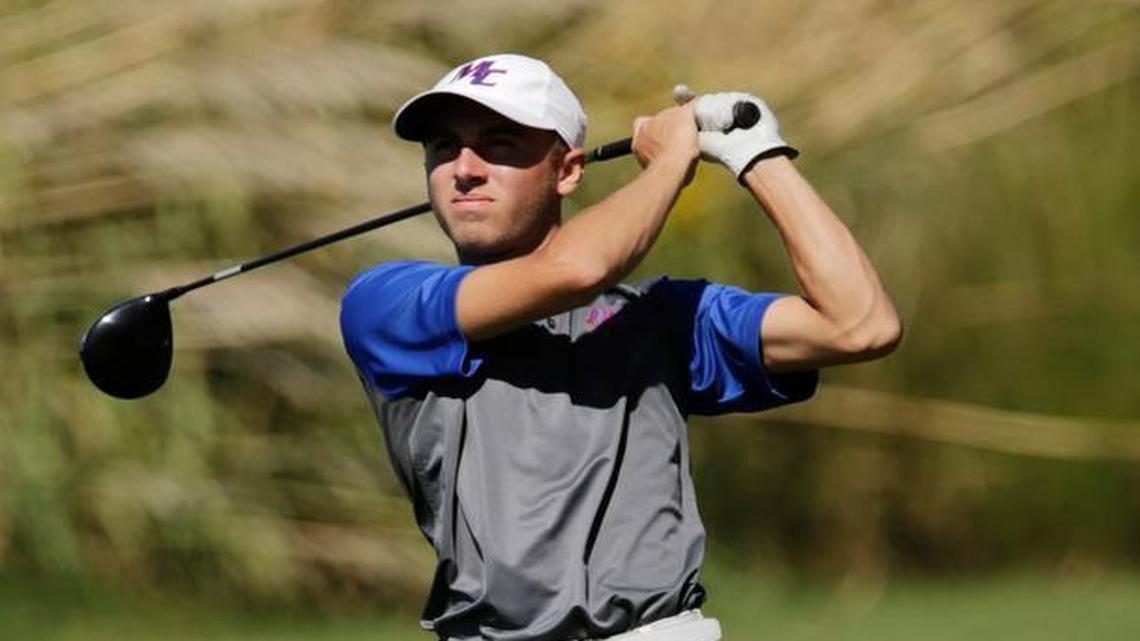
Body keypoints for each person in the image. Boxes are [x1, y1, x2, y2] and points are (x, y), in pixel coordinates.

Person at [340, 53, 901, 641]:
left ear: (569, 171)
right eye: (443, 147)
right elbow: (577, 268)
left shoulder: (658, 318)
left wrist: (758, 154)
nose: (465, 169)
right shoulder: (385, 303)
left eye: (500, 144)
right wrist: (670, 164)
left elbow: (860, 325)